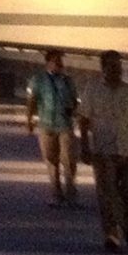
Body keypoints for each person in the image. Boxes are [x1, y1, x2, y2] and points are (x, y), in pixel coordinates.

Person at [78, 49, 128, 252]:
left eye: (119, 66)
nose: (117, 70)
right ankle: (111, 234)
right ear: (103, 67)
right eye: (112, 66)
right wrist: (84, 146)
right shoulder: (92, 90)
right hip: (103, 150)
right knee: (107, 195)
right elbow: (83, 119)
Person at [25, 49, 80, 206]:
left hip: (65, 125)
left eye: (61, 61)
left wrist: (73, 109)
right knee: (51, 160)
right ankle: (56, 193)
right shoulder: (38, 80)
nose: (60, 64)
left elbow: (75, 100)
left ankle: (71, 193)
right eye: (57, 61)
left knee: (69, 159)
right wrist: (29, 120)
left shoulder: (68, 81)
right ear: (48, 63)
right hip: (46, 125)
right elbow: (31, 101)